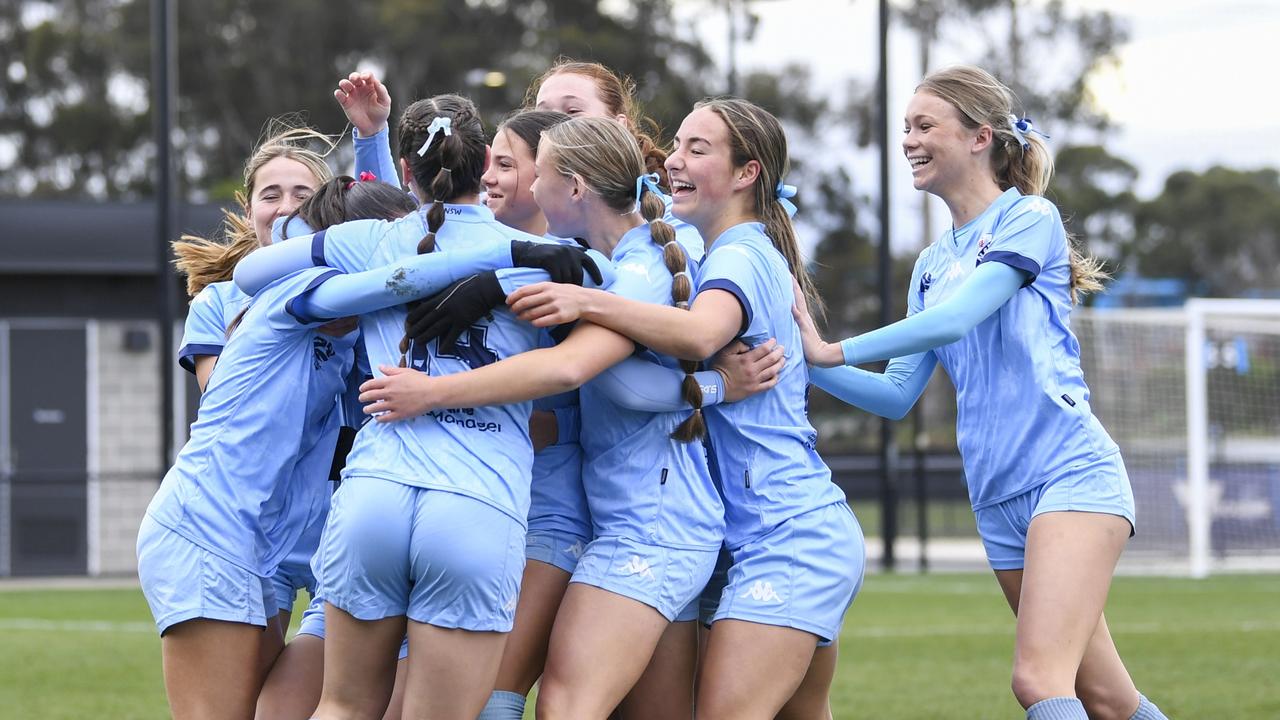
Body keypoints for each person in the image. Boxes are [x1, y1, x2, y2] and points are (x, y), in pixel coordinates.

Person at [414, 99, 867, 720]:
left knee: (570, 703)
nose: (674, 160)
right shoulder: (639, 257)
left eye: (697, 148)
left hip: (759, 528)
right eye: (676, 144)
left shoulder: (720, 256)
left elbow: (676, 347)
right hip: (723, 527)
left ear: (747, 174)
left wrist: (433, 392)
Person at [793, 65, 1168, 720]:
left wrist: (832, 347)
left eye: (924, 125)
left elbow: (961, 317)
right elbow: (896, 397)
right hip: (996, 500)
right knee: (1106, 698)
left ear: (979, 136)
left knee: (1039, 680)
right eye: (904, 127)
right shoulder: (932, 266)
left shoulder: (1029, 217)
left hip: (1069, 475)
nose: (908, 139)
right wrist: (800, 360)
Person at [139, 171, 564, 720]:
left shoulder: (347, 334)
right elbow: (397, 279)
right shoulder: (298, 291)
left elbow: (396, 219)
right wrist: (512, 253)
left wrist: (376, 140)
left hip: (258, 540)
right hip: (206, 529)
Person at [233, 93, 600, 720]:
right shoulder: (548, 258)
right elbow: (631, 301)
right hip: (476, 503)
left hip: (373, 495)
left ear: (406, 172)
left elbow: (250, 274)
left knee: (343, 706)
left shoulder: (367, 239)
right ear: (485, 162)